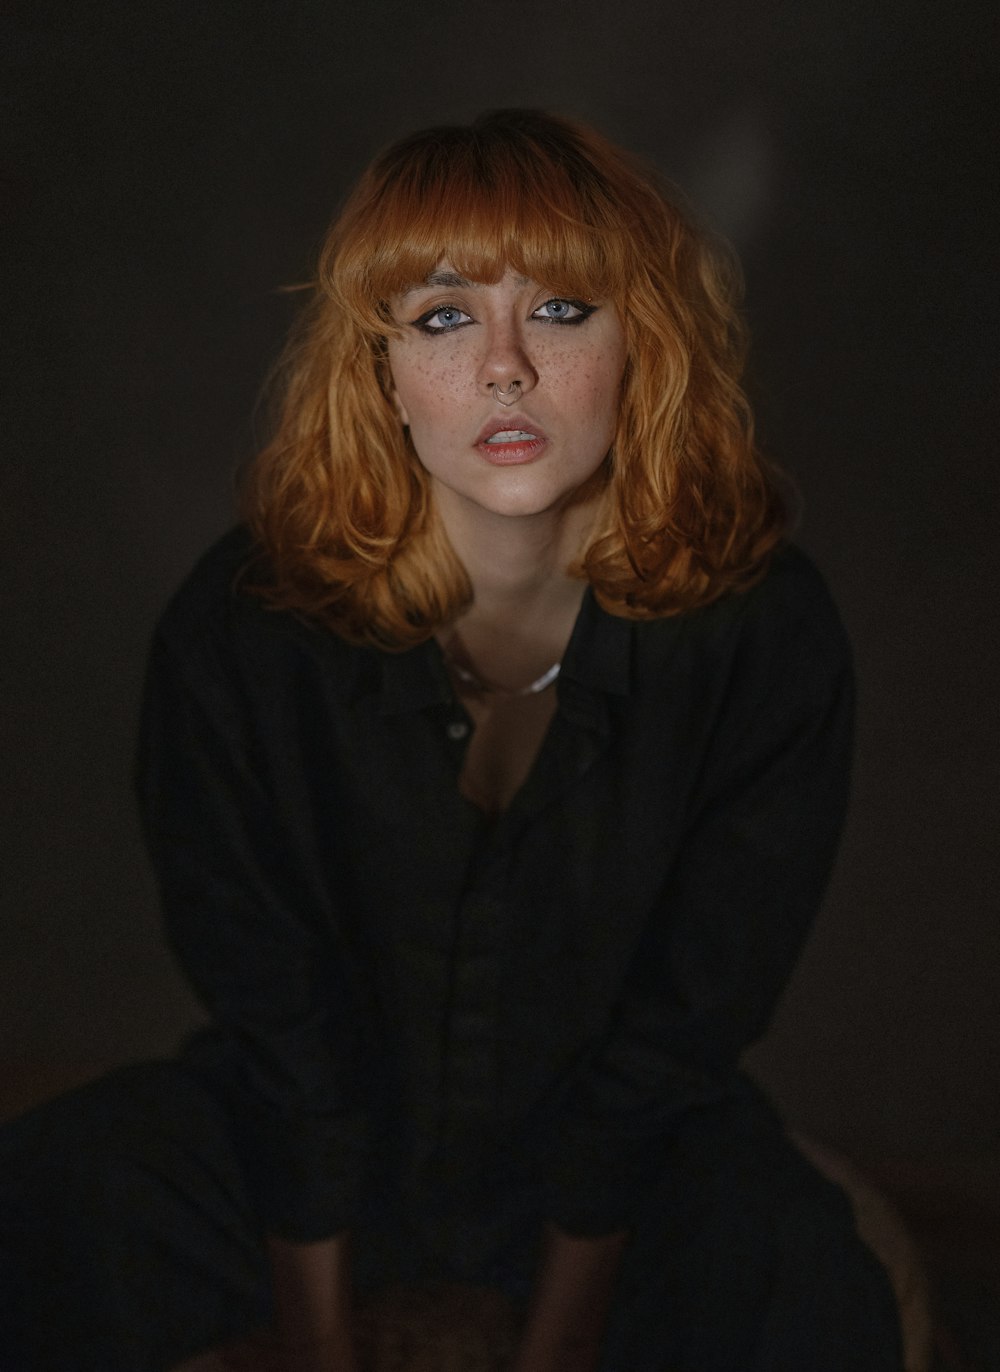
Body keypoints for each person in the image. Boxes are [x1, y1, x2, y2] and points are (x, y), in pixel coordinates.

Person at [0, 109, 902, 1371]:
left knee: (800, 1280)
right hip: (302, 1152)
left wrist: (555, 1337)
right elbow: (275, 1018)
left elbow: (691, 1019)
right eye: (441, 317)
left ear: (645, 340)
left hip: (616, 1170)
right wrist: (321, 1344)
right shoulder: (243, 629)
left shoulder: (762, 633)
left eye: (561, 311)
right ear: (379, 368)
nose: (503, 370)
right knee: (52, 1198)